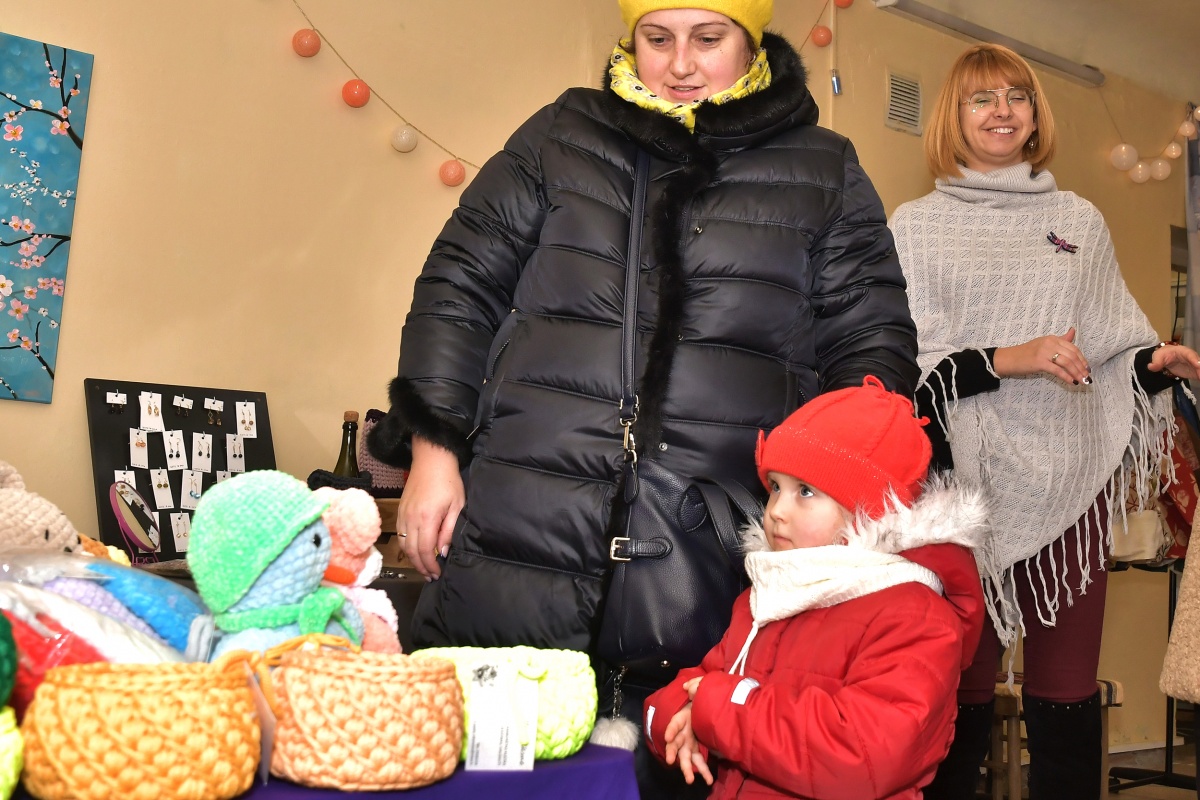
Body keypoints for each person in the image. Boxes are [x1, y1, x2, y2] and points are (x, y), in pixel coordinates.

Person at [367, 0, 919, 793]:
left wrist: (829, 498)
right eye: (657, 40)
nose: (680, 64)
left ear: (751, 40)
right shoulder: (561, 136)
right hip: (521, 536)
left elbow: (872, 349)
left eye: (708, 39)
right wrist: (433, 447)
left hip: (719, 558)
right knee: (488, 774)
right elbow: (458, 288)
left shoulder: (823, 169)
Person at [890, 43, 1200, 800]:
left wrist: (1152, 364)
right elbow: (908, 365)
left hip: (1071, 481)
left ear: (1035, 115)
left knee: (1066, 694)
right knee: (958, 686)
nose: (1001, 111)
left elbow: (1111, 346)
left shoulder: (1079, 220)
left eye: (1016, 96)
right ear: (953, 117)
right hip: (960, 493)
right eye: (981, 99)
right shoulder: (916, 226)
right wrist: (1010, 357)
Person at [643, 377, 987, 798]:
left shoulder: (914, 616)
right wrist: (677, 714)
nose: (776, 511)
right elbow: (710, 679)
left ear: (868, 511)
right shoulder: (772, 591)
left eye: (805, 491)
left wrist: (720, 709)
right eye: (775, 487)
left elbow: (862, 753)